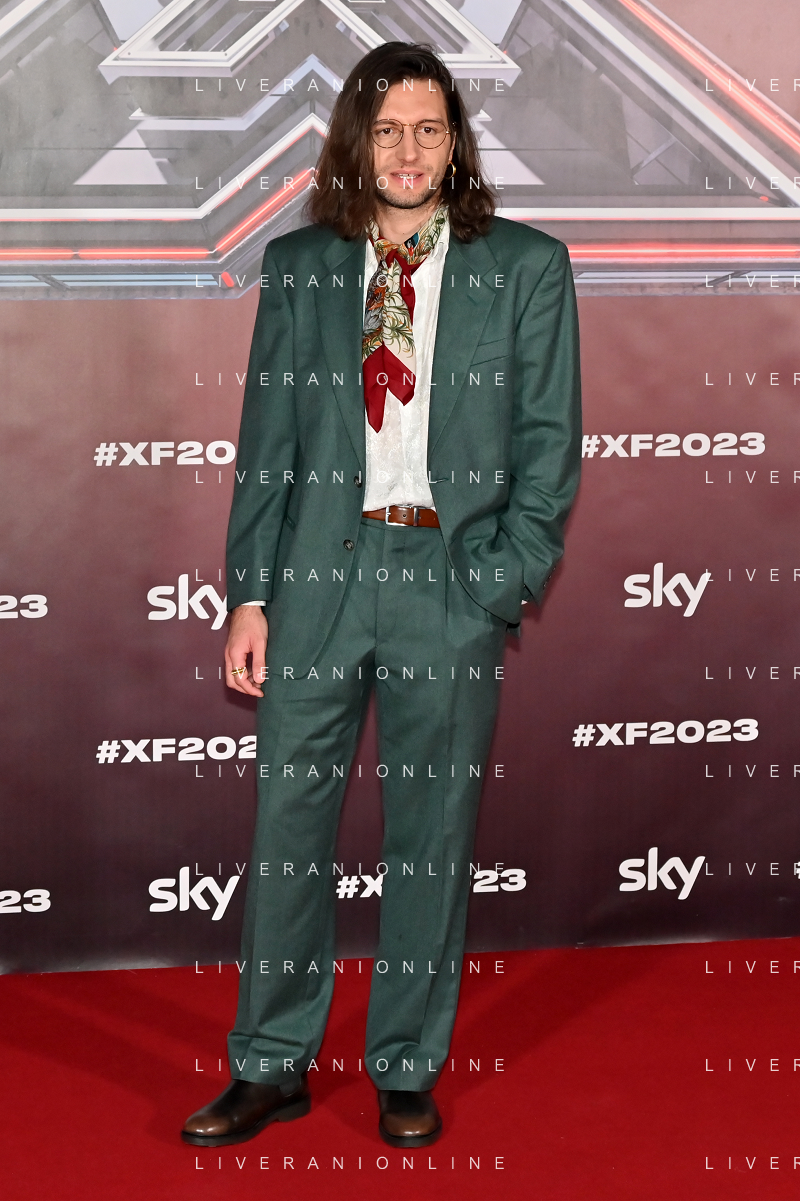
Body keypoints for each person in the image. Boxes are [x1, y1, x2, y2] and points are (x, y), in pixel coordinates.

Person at [181, 39, 581, 1151]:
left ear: (455, 144)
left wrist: (501, 578)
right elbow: (266, 445)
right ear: (356, 143)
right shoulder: (300, 266)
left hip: (448, 582)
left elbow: (550, 444)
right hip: (316, 578)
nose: (407, 151)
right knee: (287, 831)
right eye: (388, 129)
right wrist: (250, 596)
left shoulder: (526, 267)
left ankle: (406, 1064)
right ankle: (270, 1064)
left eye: (428, 130)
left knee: (431, 837)